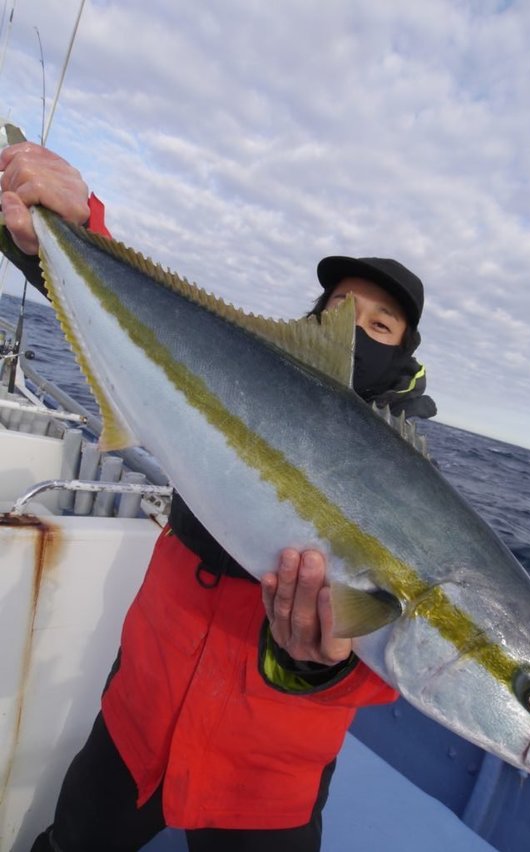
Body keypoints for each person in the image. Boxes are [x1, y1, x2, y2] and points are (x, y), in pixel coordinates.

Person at [0, 142, 436, 852]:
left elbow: (396, 660)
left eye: (381, 326)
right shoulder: (241, 386)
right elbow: (153, 334)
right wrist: (58, 227)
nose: (356, 331)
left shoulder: (418, 497)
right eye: (339, 312)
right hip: (136, 717)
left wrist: (313, 664)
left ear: (404, 360)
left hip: (265, 782)